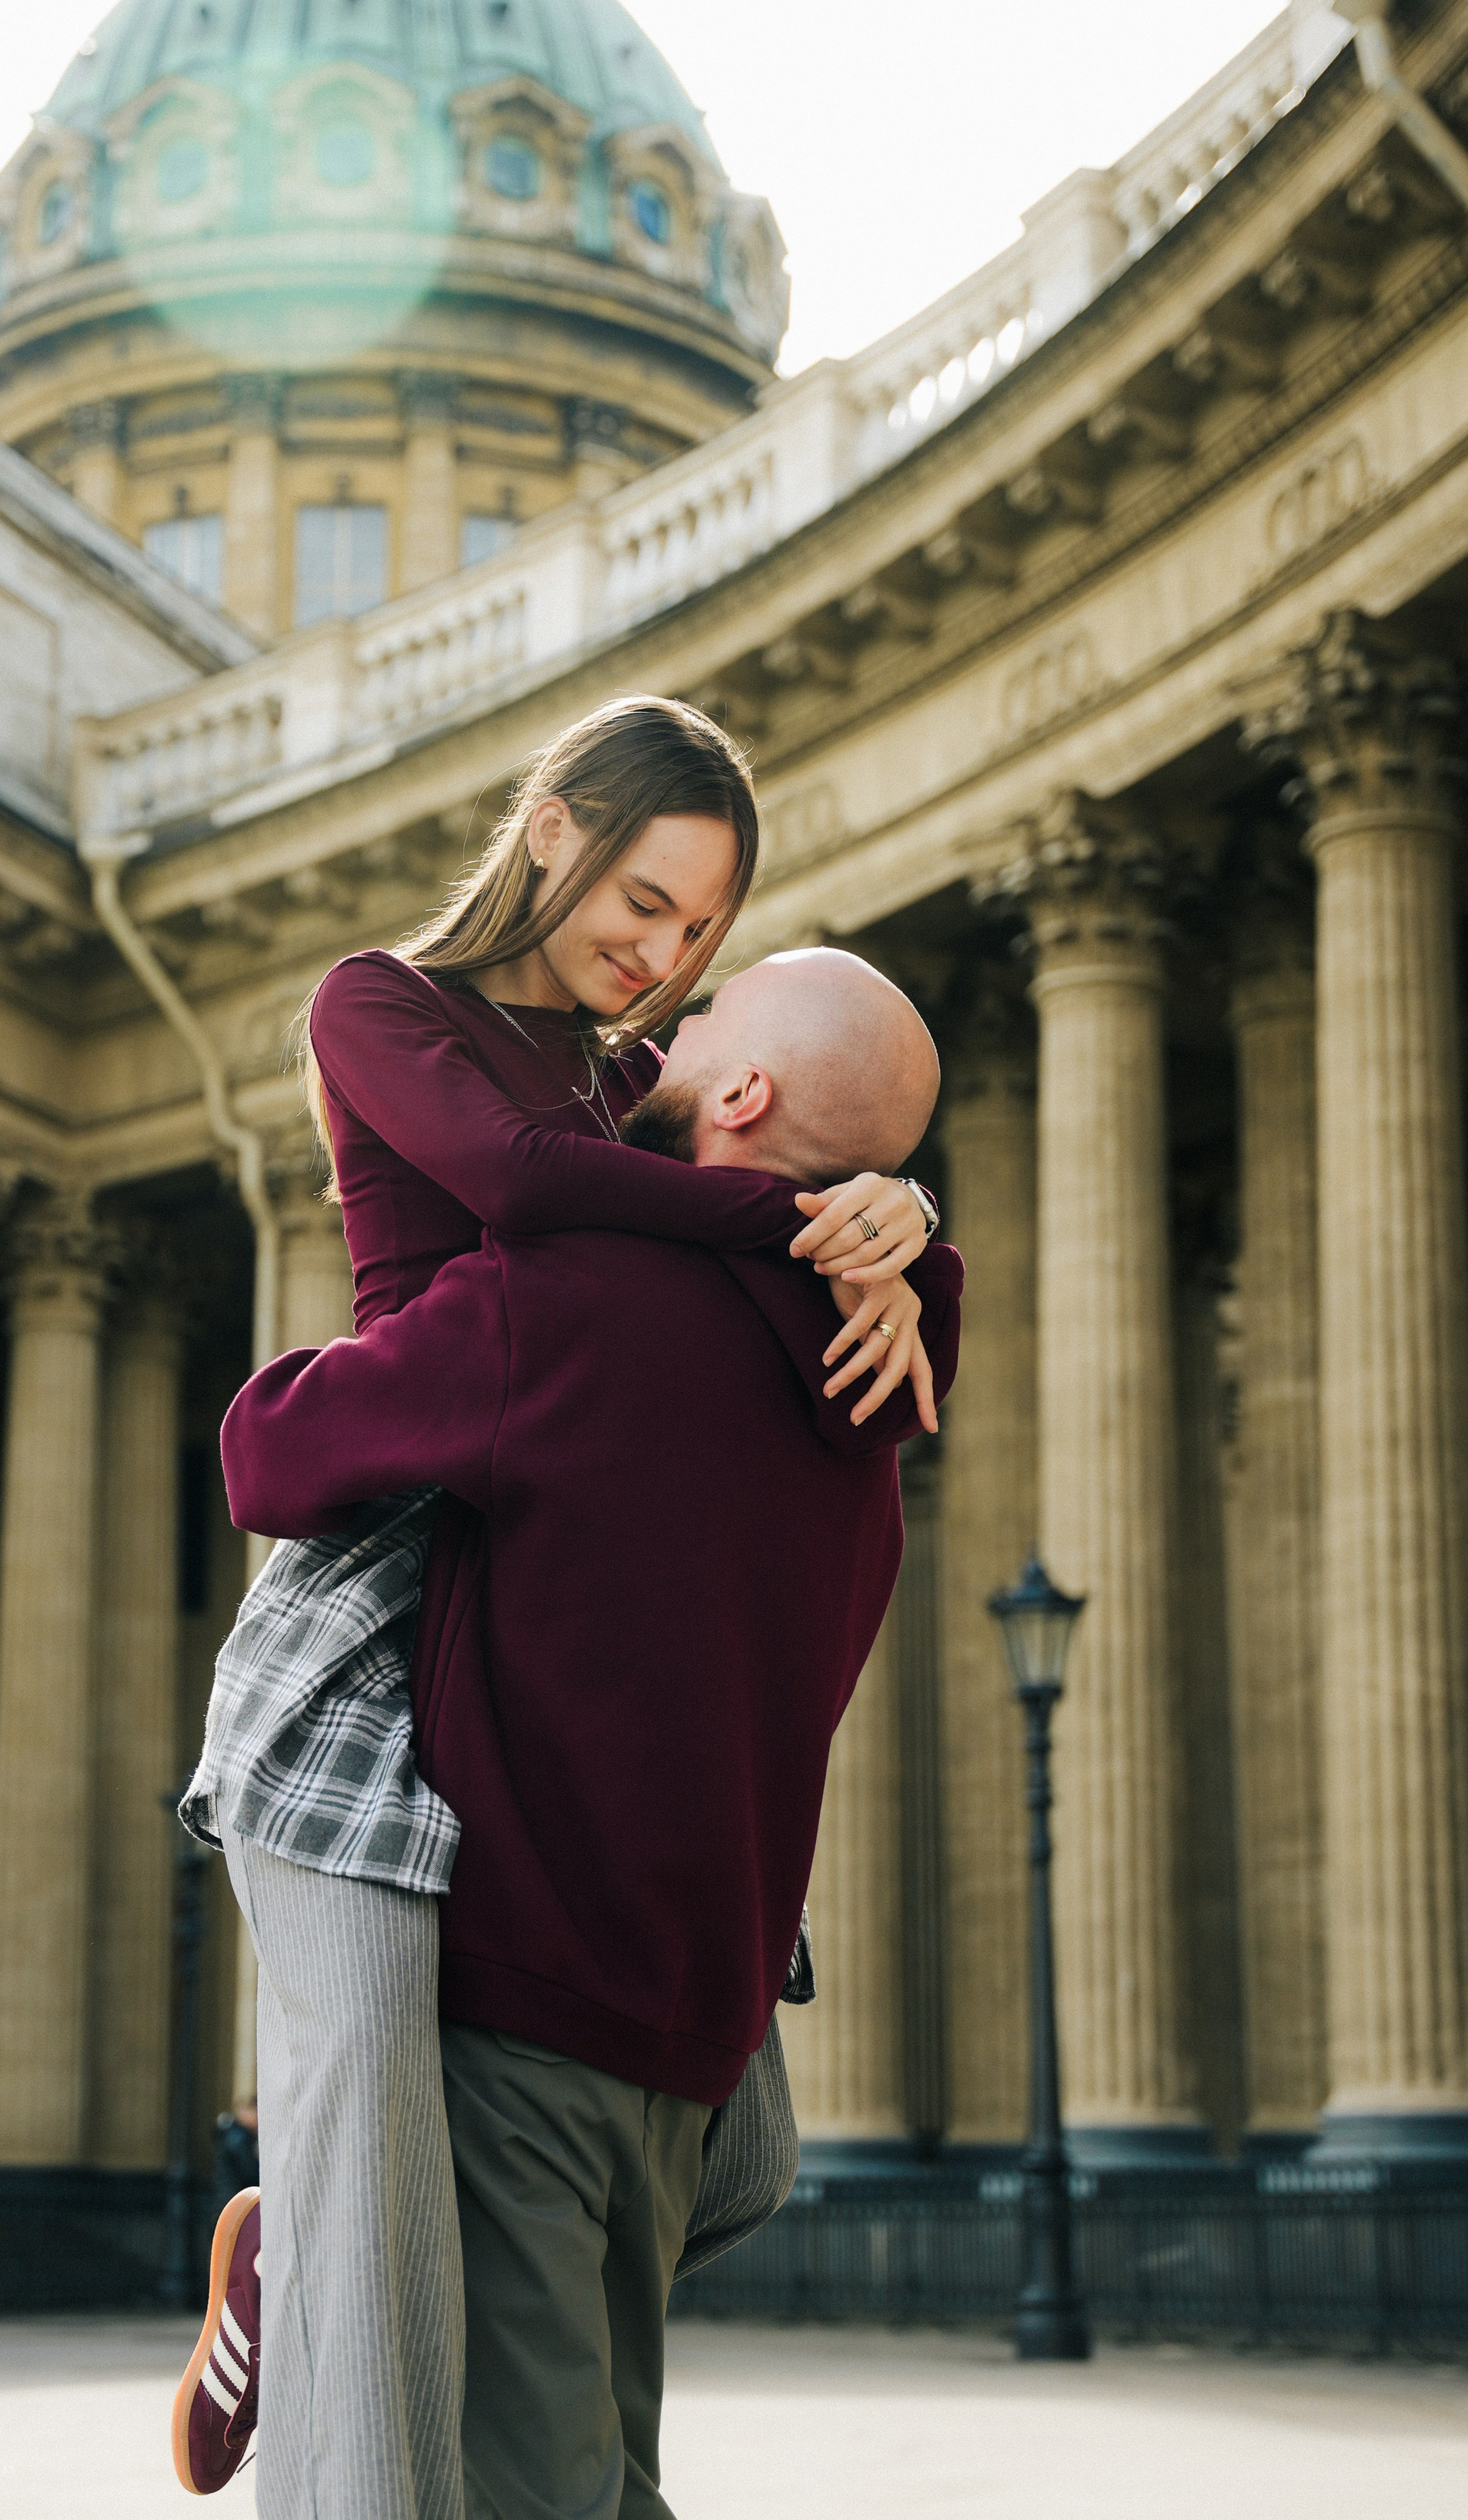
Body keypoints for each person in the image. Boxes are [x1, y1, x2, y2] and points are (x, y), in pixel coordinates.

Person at [174, 697, 945, 2511]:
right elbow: (529, 1193)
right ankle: (312, 2239)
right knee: (379, 2063)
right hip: (400, 1554)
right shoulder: (387, 1003)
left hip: (555, 1502)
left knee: (729, 2148)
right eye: (646, 896)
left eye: (696, 934)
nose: (659, 956)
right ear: (550, 827)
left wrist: (895, 1217)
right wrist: (802, 1217)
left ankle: (319, 2227)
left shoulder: (640, 1086)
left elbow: (751, 1143)